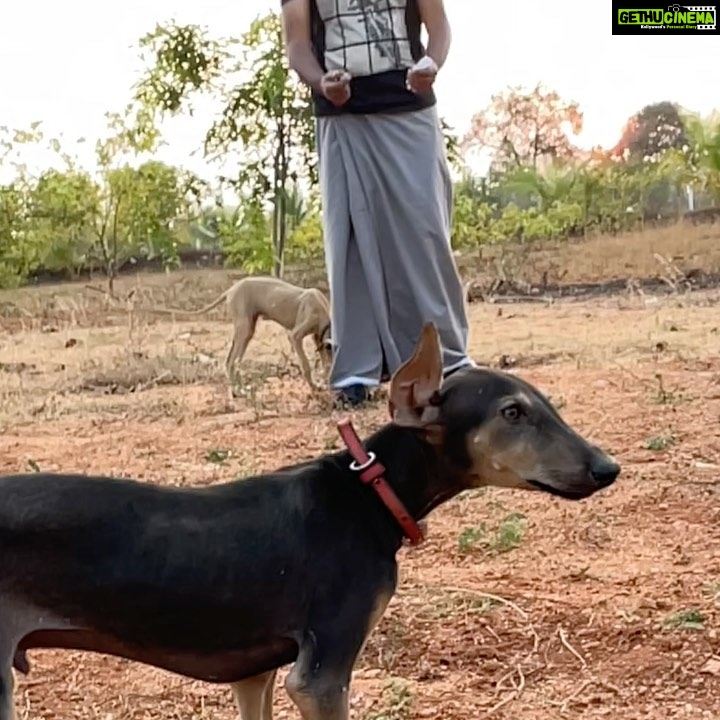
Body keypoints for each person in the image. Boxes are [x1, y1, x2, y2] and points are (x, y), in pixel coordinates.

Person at [280, 0, 473, 407]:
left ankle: (448, 360)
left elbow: (438, 26)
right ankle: (356, 371)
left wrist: (431, 65)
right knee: (349, 237)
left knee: (425, 232)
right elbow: (296, 44)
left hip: (408, 108)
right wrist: (321, 83)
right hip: (341, 115)